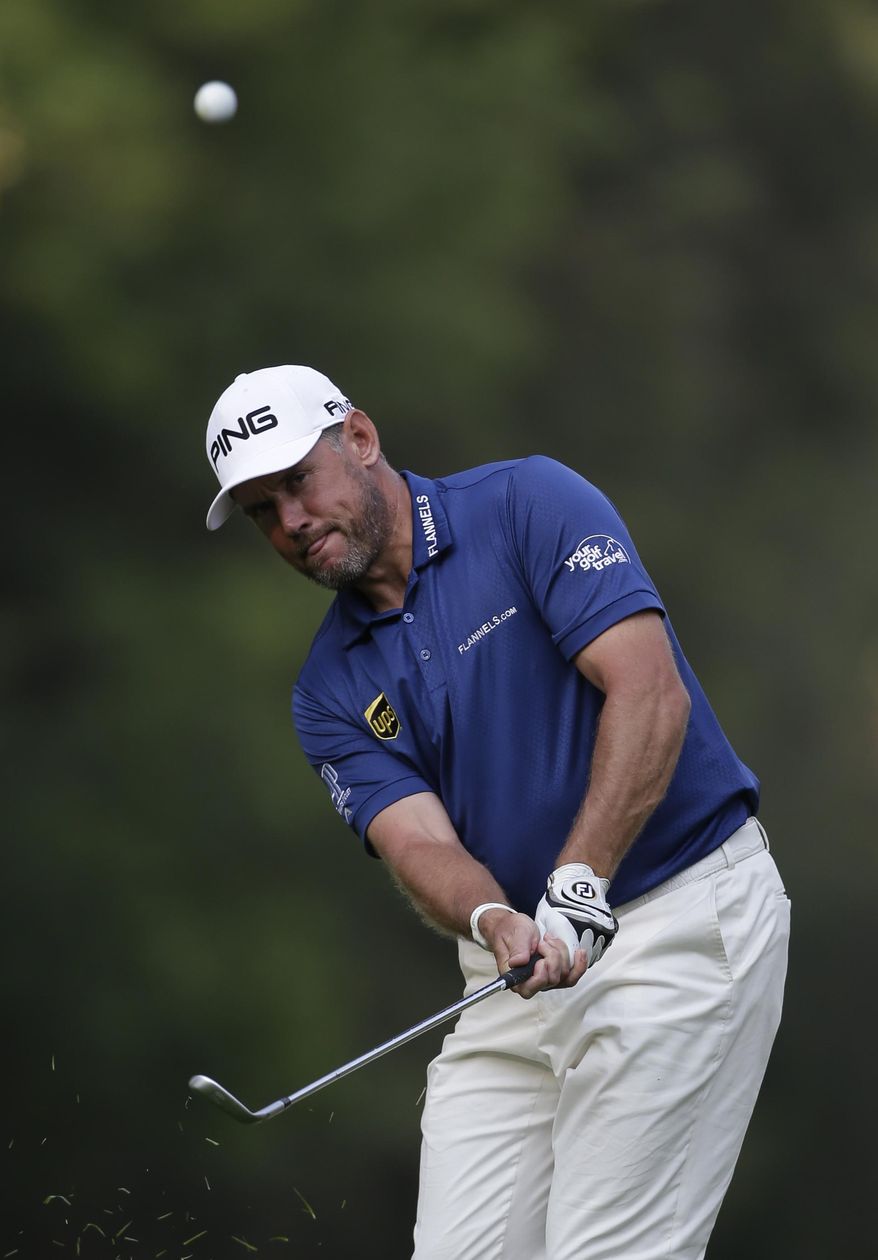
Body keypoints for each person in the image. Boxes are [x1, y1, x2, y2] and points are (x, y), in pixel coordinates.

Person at [205, 364, 790, 1260]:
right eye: (259, 510)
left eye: (296, 483)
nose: (289, 522)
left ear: (358, 440)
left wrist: (579, 877)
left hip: (677, 925)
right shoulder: (327, 690)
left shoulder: (527, 504)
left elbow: (650, 690)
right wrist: (493, 919)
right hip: (515, 974)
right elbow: (418, 841)